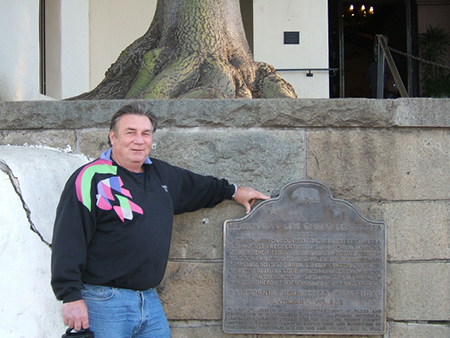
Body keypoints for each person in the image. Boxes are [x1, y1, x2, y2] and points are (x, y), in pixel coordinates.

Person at [51, 103, 269, 338]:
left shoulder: (161, 175)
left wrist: (235, 191)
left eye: (146, 133)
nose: (139, 140)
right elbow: (69, 238)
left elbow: (200, 187)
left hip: (149, 300)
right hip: (104, 301)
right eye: (130, 132)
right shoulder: (91, 178)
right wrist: (70, 295)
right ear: (113, 137)